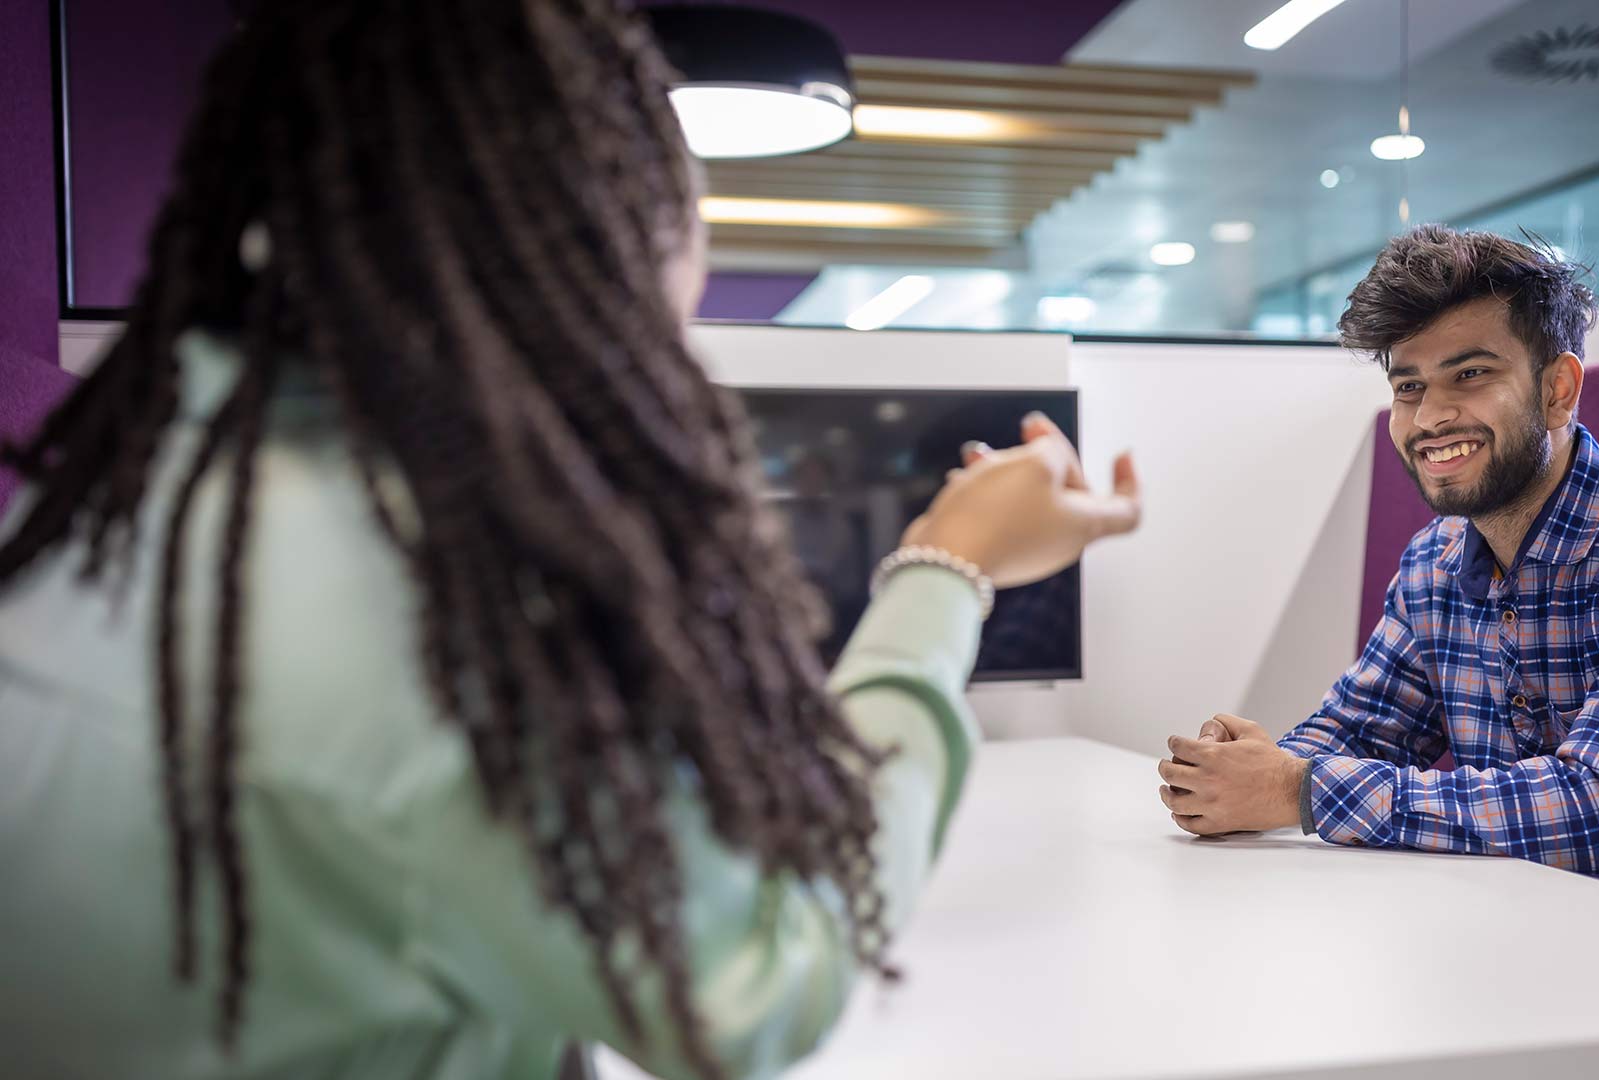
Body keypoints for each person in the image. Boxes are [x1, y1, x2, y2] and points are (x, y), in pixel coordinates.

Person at [0, 3, 1141, 1079]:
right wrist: (951, 567)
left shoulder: (117, 506)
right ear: (594, 232)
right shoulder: (438, 630)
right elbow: (763, 982)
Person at [1157, 225, 1599, 928]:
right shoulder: (1434, 562)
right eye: (1408, 386)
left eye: (1470, 374)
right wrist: (1243, 770)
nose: (1430, 417)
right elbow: (1363, 731)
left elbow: (1596, 809)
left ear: (1558, 390)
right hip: (1537, 927)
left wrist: (1297, 788)